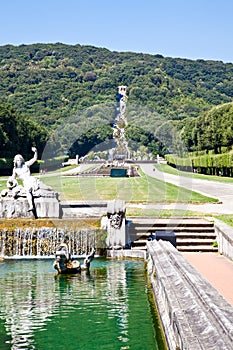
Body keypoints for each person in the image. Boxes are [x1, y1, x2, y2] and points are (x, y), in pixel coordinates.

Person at [12, 147, 39, 211]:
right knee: (18, 190)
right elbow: (13, 178)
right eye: (18, 160)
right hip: (25, 183)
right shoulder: (15, 170)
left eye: (20, 160)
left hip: (31, 180)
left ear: (22, 160)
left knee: (28, 190)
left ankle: (31, 206)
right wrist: (11, 182)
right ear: (15, 161)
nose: (19, 161)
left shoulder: (26, 164)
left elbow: (34, 159)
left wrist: (35, 152)